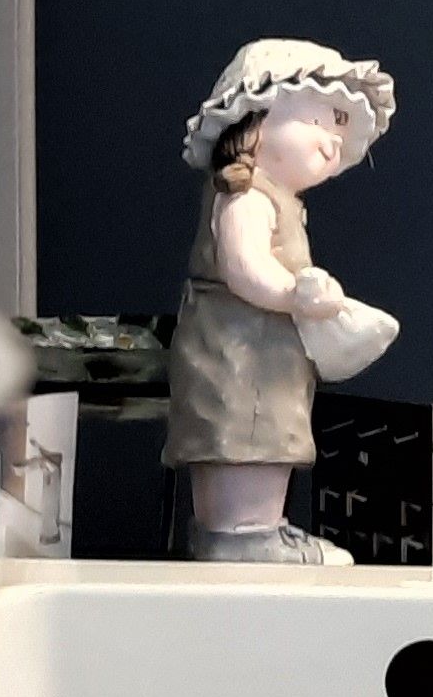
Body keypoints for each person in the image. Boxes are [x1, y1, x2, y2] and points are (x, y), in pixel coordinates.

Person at [165, 37, 396, 563]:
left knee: (269, 437)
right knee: (244, 436)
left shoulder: (278, 200)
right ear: (255, 119)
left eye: (338, 130)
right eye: (316, 121)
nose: (331, 143)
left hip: (266, 356)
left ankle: (260, 526)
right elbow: (243, 266)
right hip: (237, 353)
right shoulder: (245, 197)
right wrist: (294, 294)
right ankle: (239, 533)